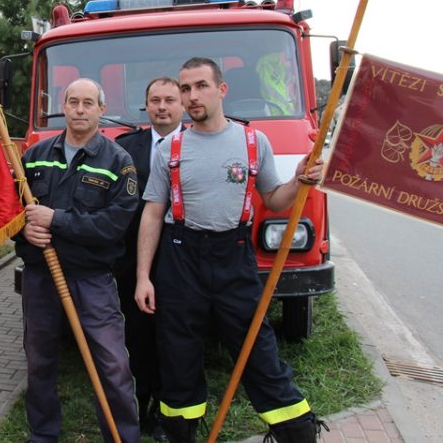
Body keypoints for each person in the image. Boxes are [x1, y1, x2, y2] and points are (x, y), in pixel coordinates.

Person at [134, 58, 325, 443]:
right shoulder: (169, 147)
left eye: (201, 86)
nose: (191, 96)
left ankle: (296, 432)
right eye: (185, 89)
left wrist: (299, 178)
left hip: (233, 257)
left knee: (256, 345)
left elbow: (273, 198)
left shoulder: (254, 142)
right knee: (178, 352)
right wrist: (143, 277)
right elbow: (153, 213)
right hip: (180, 257)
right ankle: (181, 432)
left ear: (221, 90)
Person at [16, 78, 141, 443]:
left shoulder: (118, 161)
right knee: (39, 361)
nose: (80, 109)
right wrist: (23, 230)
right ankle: (43, 434)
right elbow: (8, 211)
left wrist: (55, 220)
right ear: (64, 107)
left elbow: (115, 224)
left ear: (101, 110)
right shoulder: (34, 155)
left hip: (92, 280)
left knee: (113, 364)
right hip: (41, 278)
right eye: (73, 102)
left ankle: (122, 437)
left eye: (89, 103)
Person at [114, 76, 184, 440]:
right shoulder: (126, 148)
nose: (162, 107)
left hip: (180, 261)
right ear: (146, 105)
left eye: (169, 100)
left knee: (175, 339)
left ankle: (168, 410)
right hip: (132, 262)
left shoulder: (198, 144)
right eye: (155, 100)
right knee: (137, 337)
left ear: (182, 104)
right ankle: (139, 408)